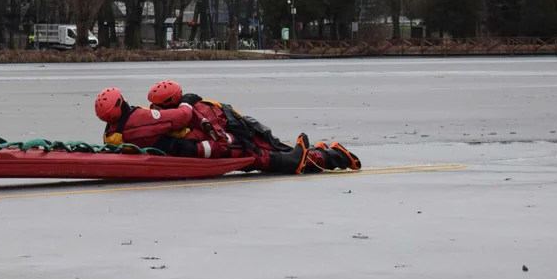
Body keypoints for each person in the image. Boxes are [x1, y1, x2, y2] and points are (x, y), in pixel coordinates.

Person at [146, 80, 361, 172]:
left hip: (250, 137)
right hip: (242, 137)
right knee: (284, 156)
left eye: (158, 106)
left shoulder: (201, 113)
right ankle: (324, 150)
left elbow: (221, 143)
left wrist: (189, 148)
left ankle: (336, 156)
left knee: (291, 161)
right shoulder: (180, 116)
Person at [94, 88, 231, 159]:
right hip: (176, 146)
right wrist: (186, 101)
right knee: (189, 140)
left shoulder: (111, 130)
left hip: (146, 144)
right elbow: (182, 117)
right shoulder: (139, 118)